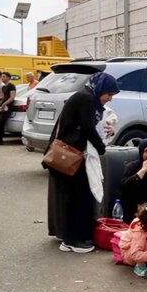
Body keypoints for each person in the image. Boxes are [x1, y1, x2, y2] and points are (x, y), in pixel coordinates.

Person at [46, 71, 119, 253]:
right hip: (72, 157)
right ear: (101, 89)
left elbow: (90, 126)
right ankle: (72, 240)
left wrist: (106, 131)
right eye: (109, 94)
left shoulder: (86, 97)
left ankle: (76, 236)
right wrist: (101, 147)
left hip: (74, 157)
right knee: (76, 198)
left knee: (77, 197)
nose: (109, 99)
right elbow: (88, 128)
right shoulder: (86, 99)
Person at [0, 71, 16, 144]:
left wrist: (5, 103)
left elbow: (12, 97)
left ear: (8, 78)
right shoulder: (3, 87)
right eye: (2, 76)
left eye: (4, 76)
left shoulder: (11, 86)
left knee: (0, 122)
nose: (2, 78)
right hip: (2, 105)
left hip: (8, 106)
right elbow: (4, 96)